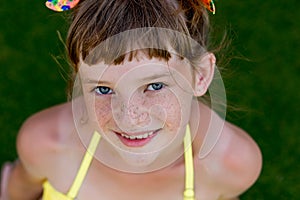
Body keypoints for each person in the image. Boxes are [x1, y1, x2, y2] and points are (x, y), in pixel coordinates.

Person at [0, 0, 262, 199]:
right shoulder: (46, 144)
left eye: (154, 85)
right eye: (103, 89)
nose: (129, 118)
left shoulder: (232, 163)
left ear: (200, 75)